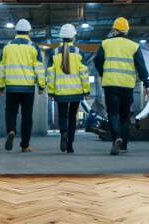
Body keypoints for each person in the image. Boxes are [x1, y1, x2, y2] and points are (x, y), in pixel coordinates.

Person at [93, 17, 149, 155]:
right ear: (126, 31)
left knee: (112, 113)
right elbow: (141, 67)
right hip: (127, 85)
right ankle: (124, 144)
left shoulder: (106, 43)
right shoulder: (134, 46)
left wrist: (103, 72)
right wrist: (147, 84)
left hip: (110, 84)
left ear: (114, 30)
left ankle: (116, 138)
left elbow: (97, 60)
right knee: (125, 116)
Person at [0, 18, 46, 152]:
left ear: (16, 31)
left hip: (12, 86)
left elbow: (2, 67)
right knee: (27, 116)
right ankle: (25, 145)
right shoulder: (33, 47)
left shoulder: (7, 47)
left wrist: (1, 86)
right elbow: (39, 69)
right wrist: (41, 86)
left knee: (11, 111)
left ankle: (11, 131)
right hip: (28, 88)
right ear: (29, 31)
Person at [47, 24, 90, 153]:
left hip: (60, 91)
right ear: (74, 37)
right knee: (72, 118)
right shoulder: (79, 52)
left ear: (61, 37)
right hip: (76, 92)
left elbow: (50, 74)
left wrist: (51, 90)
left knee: (62, 117)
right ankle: (70, 145)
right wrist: (86, 90)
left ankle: (63, 133)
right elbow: (84, 73)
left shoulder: (54, 53)